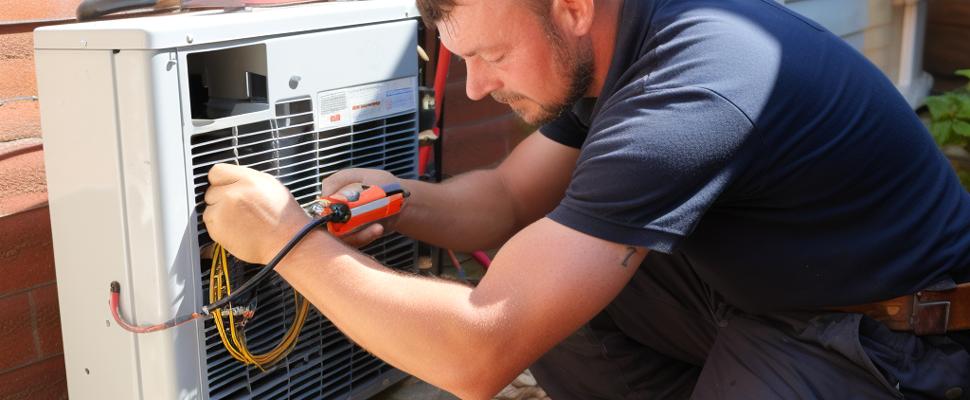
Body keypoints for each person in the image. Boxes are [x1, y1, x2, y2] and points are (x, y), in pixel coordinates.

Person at [202, 0, 970, 398]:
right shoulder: (620, 41)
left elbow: (476, 356)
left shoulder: (692, 85)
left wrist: (286, 239)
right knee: (552, 280)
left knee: (528, 304)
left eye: (493, 54)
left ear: (570, 8)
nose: (477, 86)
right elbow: (505, 197)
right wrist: (397, 198)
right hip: (771, 292)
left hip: (886, 341)